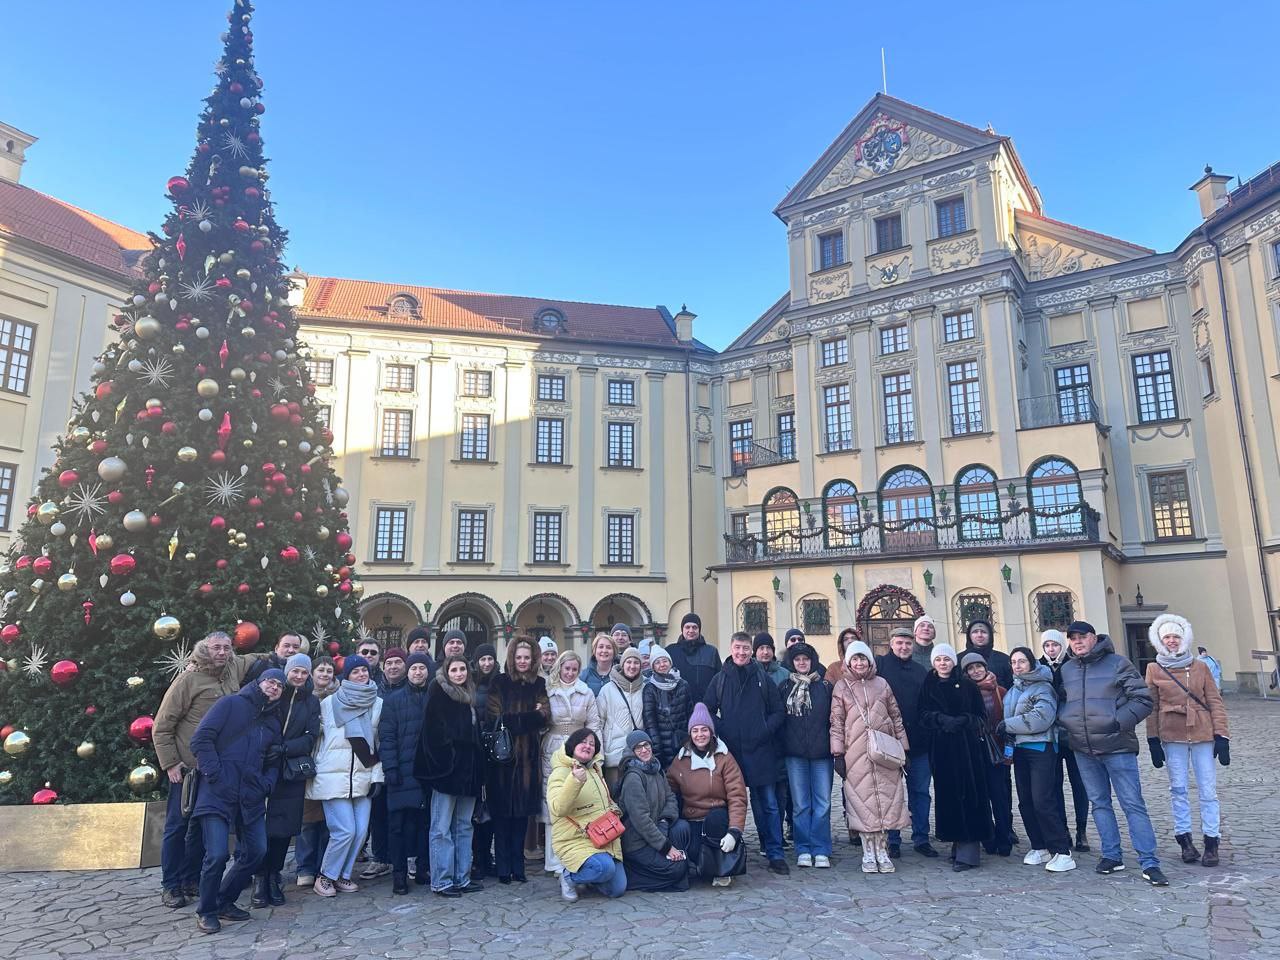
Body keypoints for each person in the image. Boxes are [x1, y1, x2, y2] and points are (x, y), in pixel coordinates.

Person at [153, 632, 268, 909]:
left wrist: (282, 655)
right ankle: (171, 885)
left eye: (227, 648)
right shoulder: (188, 680)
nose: (222, 652)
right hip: (188, 768)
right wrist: (170, 763)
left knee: (198, 828)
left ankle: (191, 879)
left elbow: (260, 658)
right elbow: (162, 725)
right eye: (216, 647)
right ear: (204, 649)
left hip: (216, 769)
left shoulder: (232, 669)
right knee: (177, 826)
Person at [1057, 621, 1166, 885]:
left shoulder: (1118, 663)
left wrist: (1118, 722)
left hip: (1117, 747)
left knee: (1132, 804)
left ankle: (1149, 862)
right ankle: (1111, 855)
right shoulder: (1068, 669)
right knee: (1099, 804)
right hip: (1084, 749)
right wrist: (1066, 720)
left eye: (1082, 637)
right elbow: (1060, 700)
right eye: (1072, 638)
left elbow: (1142, 699)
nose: (1077, 642)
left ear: (1094, 638)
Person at [188, 671, 286, 935]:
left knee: (257, 851)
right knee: (217, 854)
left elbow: (273, 760)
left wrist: (267, 783)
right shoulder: (230, 704)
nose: (274, 687)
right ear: (259, 682)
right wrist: (214, 774)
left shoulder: (273, 722)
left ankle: (223, 900)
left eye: (279, 685)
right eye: (271, 682)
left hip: (252, 796)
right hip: (218, 792)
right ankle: (206, 911)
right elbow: (201, 739)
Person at [1144, 614, 1230, 868]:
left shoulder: (1200, 666)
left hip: (1202, 731)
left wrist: (1221, 734)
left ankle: (1212, 841)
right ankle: (1185, 840)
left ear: (1185, 639)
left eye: (1176, 637)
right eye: (1167, 637)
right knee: (1178, 789)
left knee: (1207, 790)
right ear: (1160, 641)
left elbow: (1214, 700)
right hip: (1172, 734)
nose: (1172, 641)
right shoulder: (1154, 668)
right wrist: (1152, 739)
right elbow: (1152, 706)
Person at [702, 631, 788, 875]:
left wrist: (764, 730)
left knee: (768, 806)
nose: (741, 652)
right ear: (731, 649)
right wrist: (722, 730)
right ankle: (730, 849)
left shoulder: (762, 678)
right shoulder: (720, 679)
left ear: (751, 651)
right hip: (732, 753)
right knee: (729, 804)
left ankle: (774, 852)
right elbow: (706, 709)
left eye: (745, 649)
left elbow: (778, 711)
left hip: (761, 750)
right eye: (737, 648)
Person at [307, 655, 384, 897]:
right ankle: (325, 876)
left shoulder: (378, 704)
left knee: (360, 831)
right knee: (344, 830)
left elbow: (380, 744)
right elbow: (316, 738)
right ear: (346, 676)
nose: (361, 674)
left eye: (364, 670)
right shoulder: (329, 703)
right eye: (355, 671)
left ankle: (343, 874)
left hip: (363, 776)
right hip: (332, 776)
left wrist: (377, 777)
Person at [830, 641, 910, 874]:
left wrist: (903, 747)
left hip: (884, 751)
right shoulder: (842, 688)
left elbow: (896, 716)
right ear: (848, 662)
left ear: (870, 661)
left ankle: (882, 850)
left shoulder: (882, 684)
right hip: (856, 752)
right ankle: (867, 851)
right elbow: (836, 722)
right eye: (855, 659)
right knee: (862, 802)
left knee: (884, 800)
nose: (859, 663)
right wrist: (838, 753)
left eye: (863, 658)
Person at [253, 653, 320, 908]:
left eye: (304, 672)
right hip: (263, 768)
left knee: (282, 829)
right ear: (287, 671)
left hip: (290, 771)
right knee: (260, 824)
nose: (299, 676)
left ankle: (273, 875)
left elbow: (310, 736)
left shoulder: (311, 702)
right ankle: (259, 876)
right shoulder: (274, 694)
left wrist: (284, 748)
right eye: (295, 672)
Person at [919, 644, 993, 871]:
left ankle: (969, 852)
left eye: (947, 659)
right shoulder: (928, 685)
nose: (943, 663)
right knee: (949, 796)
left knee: (970, 796)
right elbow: (922, 714)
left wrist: (963, 720)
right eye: (939, 659)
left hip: (967, 749)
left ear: (953, 662)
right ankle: (956, 842)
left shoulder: (968, 686)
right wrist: (940, 719)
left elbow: (981, 717)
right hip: (941, 749)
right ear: (933, 662)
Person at [1001, 647, 1075, 873]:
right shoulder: (1013, 689)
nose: (1017, 666)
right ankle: (1039, 845)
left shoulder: (1043, 687)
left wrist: (1009, 725)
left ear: (1032, 663)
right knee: (1026, 801)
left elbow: (1041, 718)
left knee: (1043, 800)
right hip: (1021, 749)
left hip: (1041, 747)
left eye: (1022, 661)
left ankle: (1062, 850)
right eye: (1014, 662)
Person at [416, 654, 484, 897]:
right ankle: (442, 880)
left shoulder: (469, 695)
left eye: (462, 669)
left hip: (469, 775)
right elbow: (432, 734)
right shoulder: (438, 692)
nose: (458, 673)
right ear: (447, 671)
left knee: (464, 827)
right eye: (454, 670)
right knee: (441, 828)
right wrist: (448, 763)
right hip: (446, 773)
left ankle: (461, 877)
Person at [485, 637, 550, 884]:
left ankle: (518, 866)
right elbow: (495, 718)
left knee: (522, 818)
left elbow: (545, 715)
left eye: (527, 657)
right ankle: (503, 868)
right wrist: (529, 716)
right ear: (512, 658)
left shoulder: (539, 684)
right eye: (518, 657)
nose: (522, 662)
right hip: (503, 760)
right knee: (502, 818)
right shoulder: (499, 682)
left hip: (527, 761)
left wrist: (522, 718)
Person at [665, 705, 749, 887]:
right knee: (693, 847)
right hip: (692, 819)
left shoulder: (724, 758)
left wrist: (734, 831)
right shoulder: (680, 760)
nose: (699, 735)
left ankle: (722, 868)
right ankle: (696, 864)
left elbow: (737, 795)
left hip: (717, 818)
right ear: (690, 733)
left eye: (704, 730)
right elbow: (668, 791)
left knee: (716, 821)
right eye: (695, 730)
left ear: (711, 732)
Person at [547, 729, 628, 901]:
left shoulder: (595, 770)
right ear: (572, 745)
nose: (588, 746)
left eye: (592, 744)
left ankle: (589, 874)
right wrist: (574, 781)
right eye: (583, 742)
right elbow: (557, 809)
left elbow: (604, 801)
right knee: (604, 868)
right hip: (575, 839)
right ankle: (568, 877)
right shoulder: (560, 773)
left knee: (617, 889)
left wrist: (614, 809)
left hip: (603, 837)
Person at [876, 627, 936, 858]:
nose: (903, 647)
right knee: (892, 793)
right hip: (889, 743)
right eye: (899, 643)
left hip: (919, 743)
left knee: (920, 792)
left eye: (907, 644)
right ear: (891, 644)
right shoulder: (880, 667)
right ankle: (893, 839)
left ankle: (921, 838)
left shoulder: (921, 670)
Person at [542, 650, 602, 874]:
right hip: (553, 748)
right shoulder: (549, 690)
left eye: (574, 669)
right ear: (560, 667)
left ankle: (576, 856)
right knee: (554, 801)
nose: (570, 673)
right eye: (566, 668)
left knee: (579, 800)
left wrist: (597, 752)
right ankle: (553, 858)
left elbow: (594, 724)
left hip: (581, 748)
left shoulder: (585, 693)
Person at [379, 651, 433, 894]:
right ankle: (399, 873)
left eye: (422, 668)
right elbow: (387, 736)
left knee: (424, 823)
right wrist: (390, 767)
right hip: (401, 770)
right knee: (397, 826)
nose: (418, 672)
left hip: (426, 772)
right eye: (414, 668)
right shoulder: (393, 699)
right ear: (407, 671)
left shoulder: (433, 698)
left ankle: (423, 868)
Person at [779, 641, 833, 868]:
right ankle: (803, 847)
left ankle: (820, 848)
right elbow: (779, 719)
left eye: (806, 659)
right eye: (797, 660)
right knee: (801, 804)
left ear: (812, 661)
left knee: (822, 802)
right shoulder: (784, 688)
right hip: (795, 754)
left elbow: (833, 718)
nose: (802, 663)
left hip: (822, 753)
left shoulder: (825, 687)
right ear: (792, 663)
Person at [617, 730, 690, 891]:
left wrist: (664, 821)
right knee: (678, 869)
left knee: (682, 827)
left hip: (657, 831)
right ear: (632, 752)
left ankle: (669, 871)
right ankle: (632, 877)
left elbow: (670, 798)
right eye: (638, 748)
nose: (644, 750)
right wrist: (666, 847)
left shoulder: (656, 768)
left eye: (646, 745)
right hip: (636, 843)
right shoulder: (633, 778)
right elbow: (641, 820)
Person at [1039, 629, 1090, 852]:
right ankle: (1063, 829)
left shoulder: (1074, 663)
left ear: (1062, 646)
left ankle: (1082, 830)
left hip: (1073, 732)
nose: (1051, 649)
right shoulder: (1038, 665)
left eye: (1055, 645)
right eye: (1047, 645)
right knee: (1054, 785)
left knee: (1079, 784)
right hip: (1050, 735)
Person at [962, 652, 1014, 856]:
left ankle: (1005, 837)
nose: (976, 671)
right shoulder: (964, 692)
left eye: (979, 667)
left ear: (985, 667)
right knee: (980, 798)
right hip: (974, 753)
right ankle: (988, 837)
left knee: (999, 797)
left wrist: (1009, 753)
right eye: (971, 668)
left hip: (997, 752)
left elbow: (1010, 724)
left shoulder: (1000, 691)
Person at [362, 646, 406, 882]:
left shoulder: (412, 690)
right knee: (378, 811)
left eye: (398, 662)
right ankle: (380, 858)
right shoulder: (374, 690)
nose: (393, 667)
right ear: (383, 666)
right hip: (376, 759)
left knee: (401, 813)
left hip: (403, 759)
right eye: (389, 663)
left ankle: (403, 857)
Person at [294, 655, 337, 888]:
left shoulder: (338, 698)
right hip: (308, 762)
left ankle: (323, 865)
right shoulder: (304, 696)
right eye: (321, 670)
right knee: (307, 819)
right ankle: (304, 866)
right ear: (312, 673)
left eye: (329, 671)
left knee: (328, 820)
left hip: (331, 765)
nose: (325, 674)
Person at [597, 645, 647, 790]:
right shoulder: (607, 690)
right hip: (614, 756)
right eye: (629, 662)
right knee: (615, 798)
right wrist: (600, 753)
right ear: (622, 664)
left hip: (639, 755)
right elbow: (599, 722)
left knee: (637, 798)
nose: (632, 666)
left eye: (636, 662)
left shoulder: (646, 688)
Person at [470, 642, 500, 879]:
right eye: (483, 660)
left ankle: (487, 855)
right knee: (476, 806)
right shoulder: (471, 683)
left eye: (490, 659)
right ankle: (477, 857)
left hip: (497, 752)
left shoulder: (500, 683)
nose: (487, 663)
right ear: (477, 661)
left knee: (491, 806)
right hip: (475, 750)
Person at [641, 644, 692, 769]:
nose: (662, 664)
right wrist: (656, 747)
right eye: (657, 662)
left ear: (670, 662)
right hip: (661, 745)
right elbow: (650, 721)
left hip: (683, 742)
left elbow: (690, 713)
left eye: (664, 661)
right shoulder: (650, 688)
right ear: (653, 666)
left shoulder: (683, 684)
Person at [669, 613, 722, 706]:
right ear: (682, 629)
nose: (691, 630)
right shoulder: (671, 651)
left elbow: (720, 680)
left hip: (705, 707)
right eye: (687, 627)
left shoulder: (711, 651)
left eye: (694, 627)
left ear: (699, 630)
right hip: (678, 708)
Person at [964, 619, 1013, 689]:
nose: (979, 635)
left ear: (990, 636)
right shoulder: (959, 659)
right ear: (969, 636)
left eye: (984, 632)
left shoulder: (1004, 660)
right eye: (975, 632)